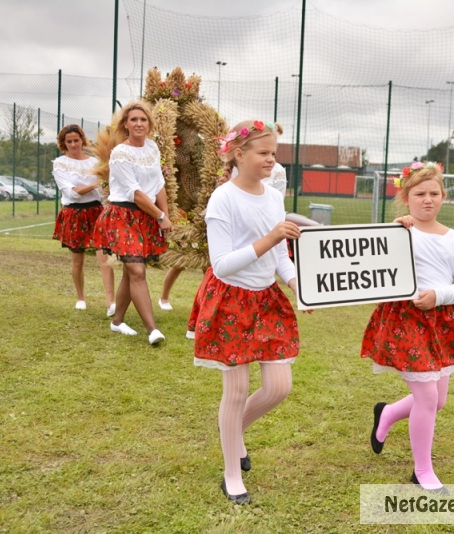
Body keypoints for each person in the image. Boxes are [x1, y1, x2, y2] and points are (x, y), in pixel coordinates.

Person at [190, 120, 301, 505]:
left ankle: (232, 434)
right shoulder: (223, 199)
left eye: (274, 153)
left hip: (265, 299)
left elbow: (279, 255)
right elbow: (221, 265)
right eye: (264, 153)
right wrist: (270, 237)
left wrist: (294, 282)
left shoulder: (272, 196)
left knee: (278, 387)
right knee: (235, 390)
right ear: (239, 154)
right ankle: (231, 474)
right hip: (230, 301)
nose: (272, 160)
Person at [361, 161, 454, 493]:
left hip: (439, 321)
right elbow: (375, 264)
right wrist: (394, 232)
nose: (427, 200)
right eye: (419, 194)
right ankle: (422, 470)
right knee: (427, 396)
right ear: (406, 197)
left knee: (437, 400)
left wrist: (439, 296)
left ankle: (386, 414)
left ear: (443, 197)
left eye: (434, 193)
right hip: (405, 321)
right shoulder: (400, 232)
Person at [158, 162, 288, 312]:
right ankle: (165, 297)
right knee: (188, 262)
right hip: (227, 228)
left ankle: (205, 305)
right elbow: (221, 198)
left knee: (210, 267)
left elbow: (276, 207)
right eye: (263, 153)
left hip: (259, 232)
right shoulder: (233, 173)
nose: (269, 159)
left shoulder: (276, 175)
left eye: (272, 153)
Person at [93, 101, 172, 345]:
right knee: (137, 270)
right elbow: (135, 193)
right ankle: (152, 330)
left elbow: (159, 184)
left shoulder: (152, 148)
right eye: (134, 119)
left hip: (146, 216)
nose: (139, 123)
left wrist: (164, 217)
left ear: (149, 124)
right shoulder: (120, 153)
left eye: (143, 119)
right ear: (125, 124)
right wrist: (160, 215)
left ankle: (117, 322)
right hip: (122, 216)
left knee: (131, 271)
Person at [51, 125, 115, 315]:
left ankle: (110, 302)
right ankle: (80, 297)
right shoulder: (60, 164)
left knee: (104, 257)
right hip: (73, 213)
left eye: (76, 140)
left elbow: (102, 190)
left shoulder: (95, 162)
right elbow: (72, 192)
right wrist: (96, 183)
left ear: (82, 140)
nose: (73, 144)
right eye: (69, 142)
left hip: (96, 211)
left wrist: (99, 186)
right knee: (77, 259)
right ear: (63, 144)